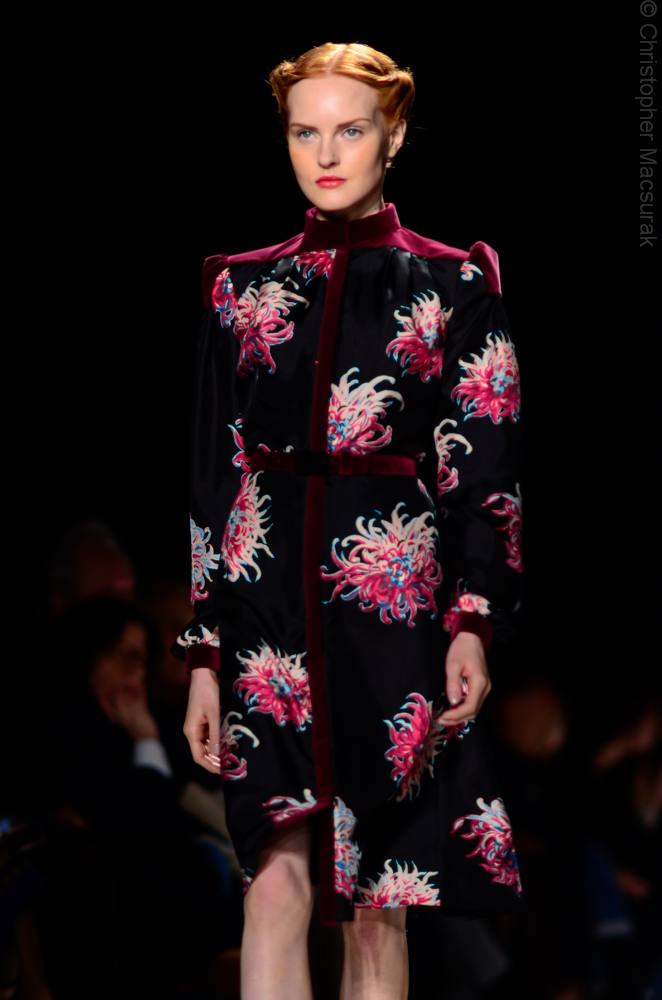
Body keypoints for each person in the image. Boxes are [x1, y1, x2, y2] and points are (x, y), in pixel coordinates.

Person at [176, 42, 523, 1000]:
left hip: (391, 611)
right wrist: (202, 650)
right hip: (265, 607)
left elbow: (485, 471)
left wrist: (473, 620)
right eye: (305, 132)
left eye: (352, 129)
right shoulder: (239, 287)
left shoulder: (455, 282)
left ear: (394, 135)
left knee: (379, 903)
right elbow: (211, 477)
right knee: (272, 882)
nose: (326, 154)